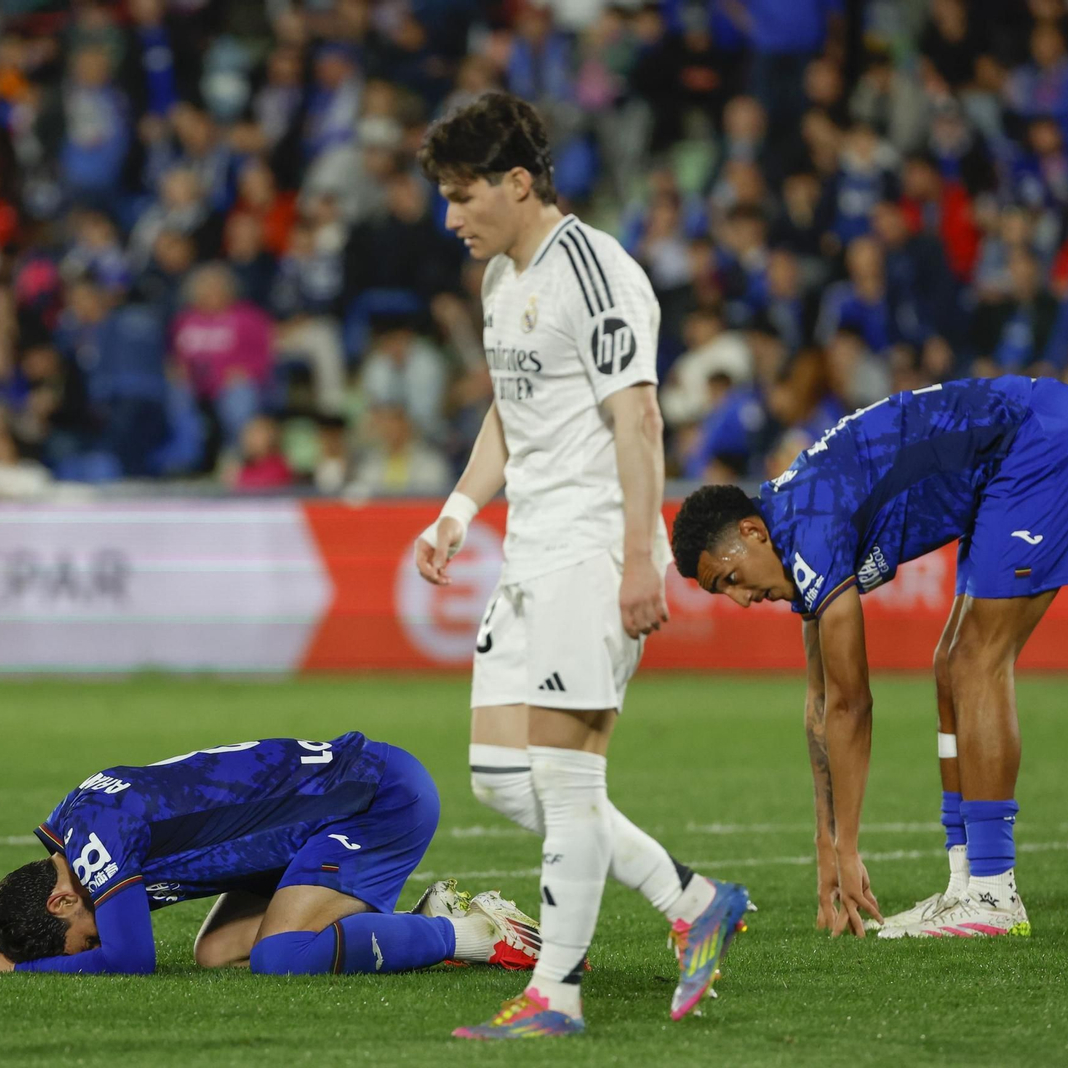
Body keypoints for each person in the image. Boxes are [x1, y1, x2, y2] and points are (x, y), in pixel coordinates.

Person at [414, 93, 749, 1040]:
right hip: (526, 558)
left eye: (461, 195)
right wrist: (456, 511)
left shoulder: (595, 271)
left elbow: (638, 417)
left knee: (564, 785)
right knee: (496, 777)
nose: (451, 218)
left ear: (517, 184)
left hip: (590, 554)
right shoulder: (499, 282)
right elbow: (512, 412)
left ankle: (553, 997)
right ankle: (692, 902)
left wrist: (640, 557)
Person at [670, 376, 1068, 939]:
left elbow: (852, 704)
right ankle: (967, 885)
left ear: (752, 531)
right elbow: (820, 703)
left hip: (1043, 442)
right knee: (953, 665)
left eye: (732, 578)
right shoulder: (792, 524)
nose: (740, 599)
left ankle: (993, 891)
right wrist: (827, 850)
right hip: (1022, 448)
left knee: (978, 660)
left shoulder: (809, 528)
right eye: (723, 592)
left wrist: (850, 846)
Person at [0, 732, 541, 976]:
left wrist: (21, 967)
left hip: (375, 798)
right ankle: (405, 928)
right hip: (294, 833)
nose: (98, 940)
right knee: (216, 952)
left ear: (60, 900)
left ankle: (468, 933)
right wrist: (4, 933)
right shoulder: (74, 827)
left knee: (280, 957)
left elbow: (132, 958)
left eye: (86, 939)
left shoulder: (96, 842)